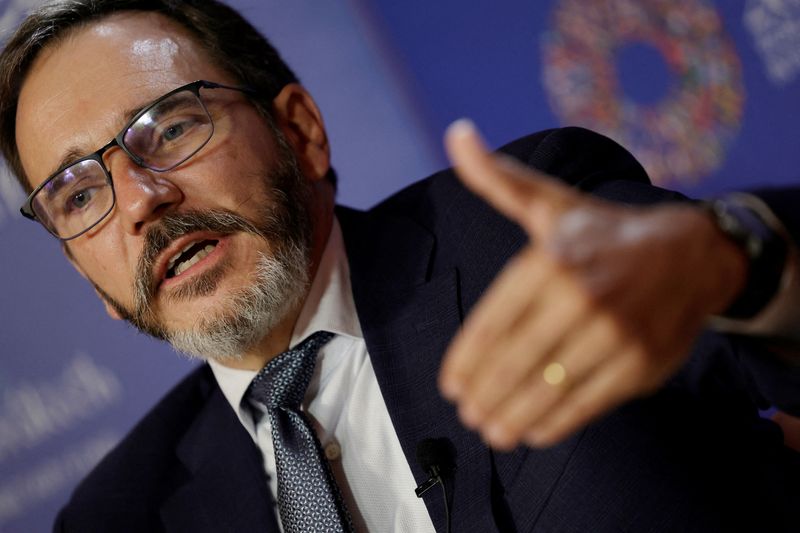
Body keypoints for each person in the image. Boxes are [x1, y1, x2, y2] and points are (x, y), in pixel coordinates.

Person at [1, 0, 798, 531]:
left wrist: (733, 262)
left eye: (169, 128)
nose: (140, 199)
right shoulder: (119, 516)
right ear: (87, 276)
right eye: (77, 195)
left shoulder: (518, 239)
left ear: (300, 131)